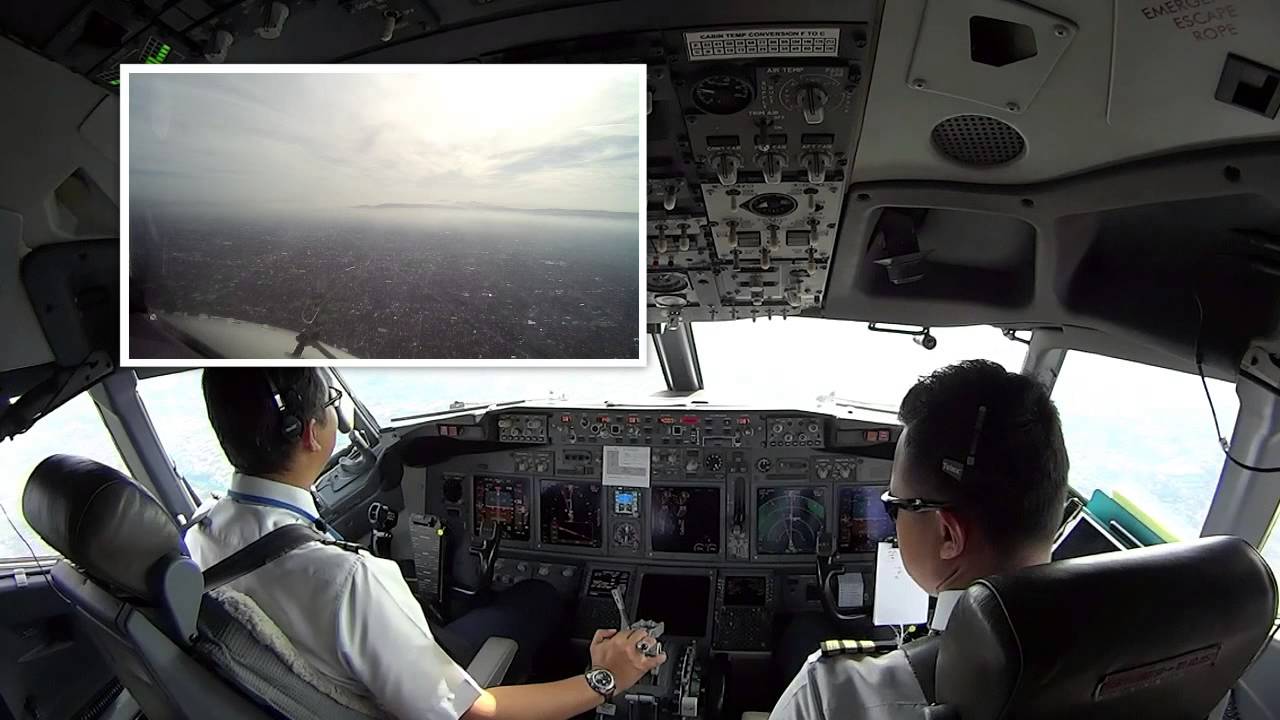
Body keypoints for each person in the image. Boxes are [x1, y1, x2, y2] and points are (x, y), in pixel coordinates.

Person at [188, 368, 666, 720]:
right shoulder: (348, 580)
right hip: (411, 694)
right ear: (314, 433)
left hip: (335, 679)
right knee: (540, 595)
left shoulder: (197, 536)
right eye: (332, 399)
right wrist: (606, 679)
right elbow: (474, 712)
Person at [769, 360, 1069, 719]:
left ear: (948, 535)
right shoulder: (1126, 653)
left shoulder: (830, 696)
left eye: (895, 506)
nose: (893, 522)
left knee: (802, 632)